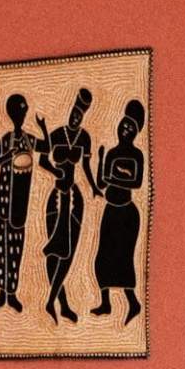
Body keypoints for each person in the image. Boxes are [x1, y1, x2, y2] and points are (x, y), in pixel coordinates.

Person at [40, 86, 95, 322]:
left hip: (74, 199)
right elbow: (43, 160)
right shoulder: (56, 134)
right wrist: (56, 172)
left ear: (83, 117)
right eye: (73, 113)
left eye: (79, 116)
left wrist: (94, 186)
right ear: (70, 110)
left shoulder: (84, 138)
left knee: (69, 251)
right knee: (54, 250)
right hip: (55, 197)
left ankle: (53, 302)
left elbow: (86, 167)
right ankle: (59, 303)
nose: (75, 118)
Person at [90, 99, 147, 321]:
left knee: (124, 258)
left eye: (130, 127)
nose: (125, 129)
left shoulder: (137, 155)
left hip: (127, 213)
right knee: (102, 256)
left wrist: (112, 176)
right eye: (124, 124)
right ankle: (105, 303)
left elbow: (136, 182)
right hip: (110, 210)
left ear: (136, 132)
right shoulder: (112, 153)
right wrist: (101, 160)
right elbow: (101, 183)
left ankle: (133, 303)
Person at [0, 94, 38, 313]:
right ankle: (1, 292)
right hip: (3, 201)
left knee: (16, 248)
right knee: (2, 249)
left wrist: (44, 129)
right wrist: (8, 155)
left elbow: (46, 146)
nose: (22, 116)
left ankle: (12, 293)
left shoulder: (28, 139)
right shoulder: (6, 139)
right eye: (19, 112)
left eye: (23, 112)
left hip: (19, 205)